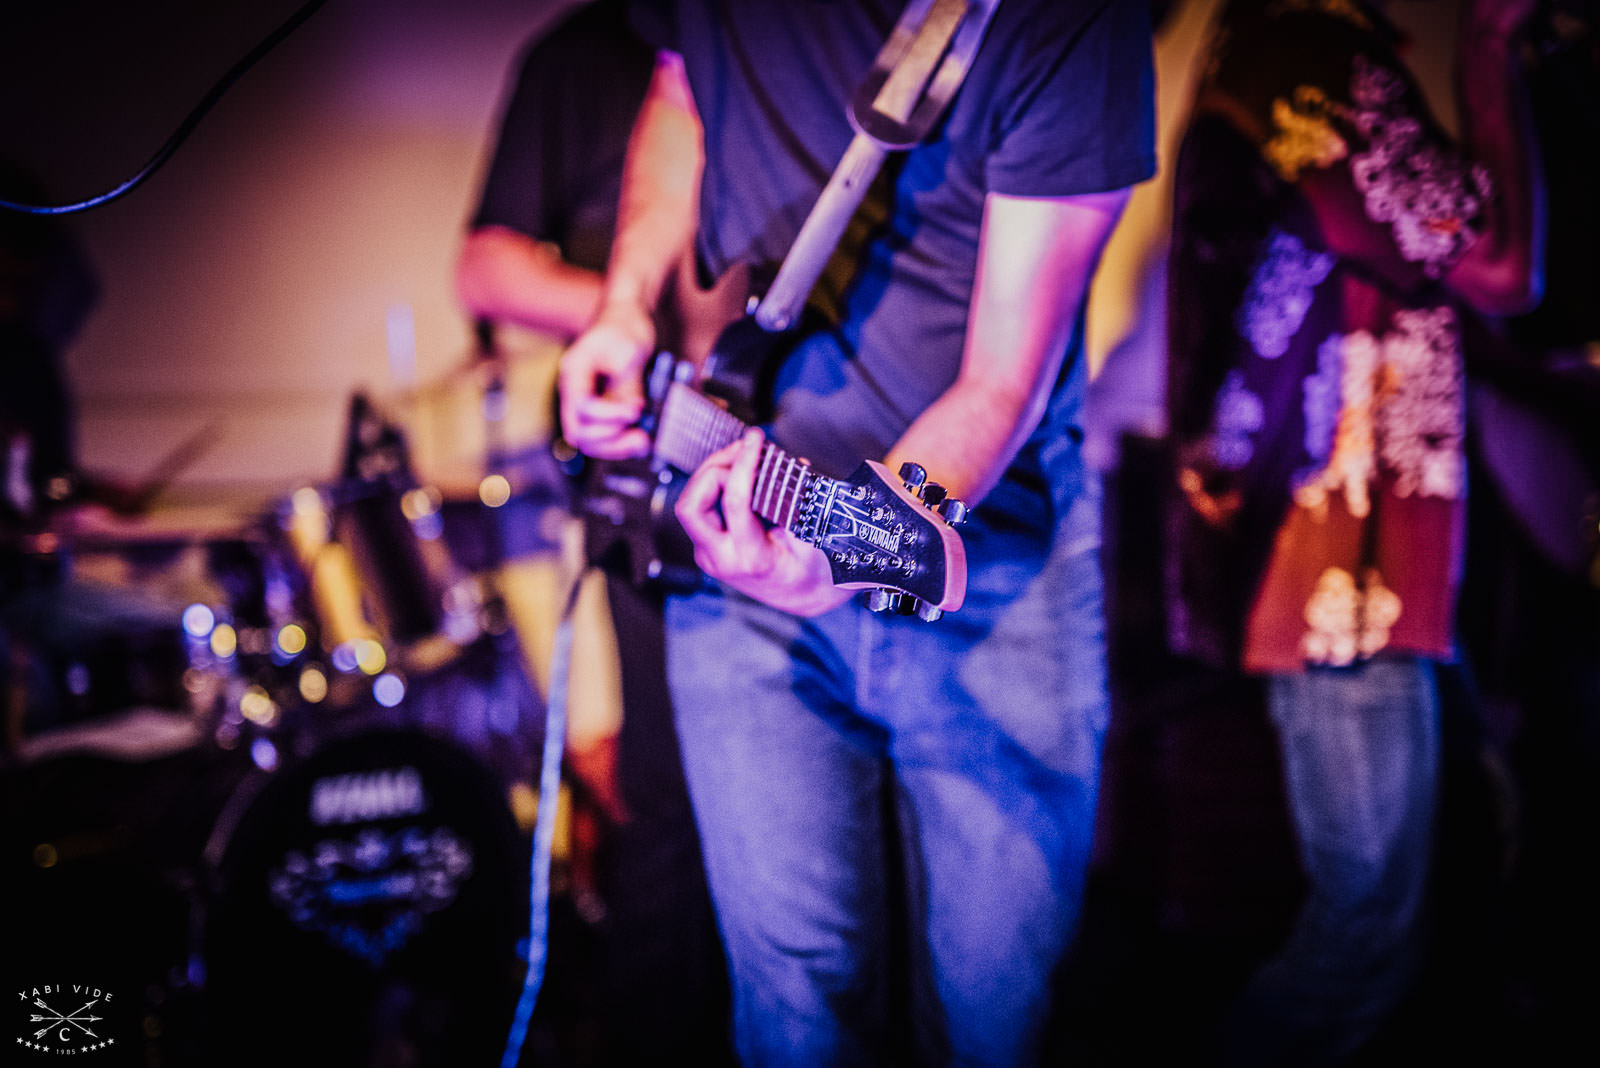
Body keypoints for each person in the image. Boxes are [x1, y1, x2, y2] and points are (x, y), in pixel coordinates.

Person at [558, 1, 1156, 1063]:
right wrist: (620, 303)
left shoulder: (1067, 23)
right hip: (742, 546)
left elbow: (1000, 381)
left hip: (990, 575)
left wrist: (849, 550)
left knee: (994, 1020)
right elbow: (679, 87)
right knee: (795, 1023)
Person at [1163, 0, 1546, 1063]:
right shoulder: (1329, 71)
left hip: (1325, 555)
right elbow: (1504, 266)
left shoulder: (1264, 57)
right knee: (1364, 933)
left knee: (1450, 868)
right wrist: (1483, 48)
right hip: (1348, 565)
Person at [452, 3, 733, 1064]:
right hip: (656, 465)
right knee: (668, 794)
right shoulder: (584, 57)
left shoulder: (797, 41)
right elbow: (485, 268)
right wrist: (635, 321)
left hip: (787, 464)